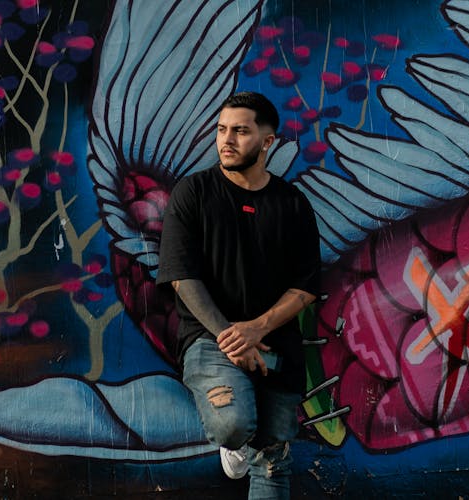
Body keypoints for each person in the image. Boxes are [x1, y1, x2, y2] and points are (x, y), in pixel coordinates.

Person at [157, 91, 320, 499]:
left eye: (241, 131)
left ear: (267, 142)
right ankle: (234, 443)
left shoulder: (292, 204)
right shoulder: (193, 193)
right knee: (233, 424)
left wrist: (256, 329)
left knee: (273, 459)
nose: (226, 139)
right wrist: (231, 336)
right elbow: (181, 276)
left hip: (275, 344)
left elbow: (305, 287)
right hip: (210, 340)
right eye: (222, 129)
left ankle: (249, 450)